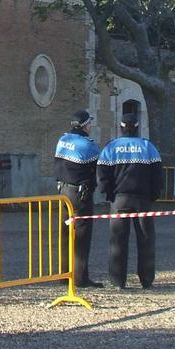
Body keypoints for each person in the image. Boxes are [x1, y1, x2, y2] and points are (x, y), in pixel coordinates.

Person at [98, 112, 164, 290]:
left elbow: (102, 174)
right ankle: (147, 280)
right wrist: (153, 195)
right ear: (137, 127)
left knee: (117, 241)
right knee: (146, 240)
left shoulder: (111, 147)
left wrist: (108, 195)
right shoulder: (148, 147)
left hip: (119, 199)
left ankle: (118, 281)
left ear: (120, 127)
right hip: (143, 200)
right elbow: (158, 175)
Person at [54, 110, 103, 288]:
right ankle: (80, 278)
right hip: (80, 195)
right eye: (89, 123)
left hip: (62, 191)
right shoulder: (88, 145)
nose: (90, 126)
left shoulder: (63, 140)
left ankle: (64, 276)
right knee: (81, 236)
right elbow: (98, 167)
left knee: (65, 235)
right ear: (84, 125)